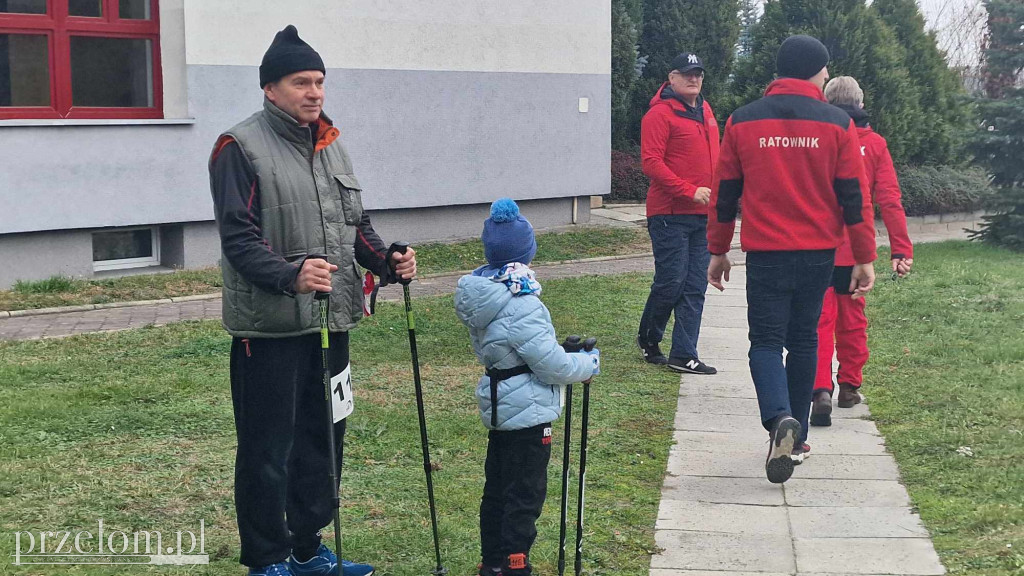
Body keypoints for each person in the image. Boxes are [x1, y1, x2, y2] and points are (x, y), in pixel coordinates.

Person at [208, 25, 416, 576]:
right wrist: (290, 275)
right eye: (302, 81)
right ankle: (267, 557)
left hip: (331, 323)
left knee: (323, 444)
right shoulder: (238, 147)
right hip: (269, 330)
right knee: (266, 452)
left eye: (320, 81)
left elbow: (355, 225)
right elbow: (239, 240)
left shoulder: (330, 142)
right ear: (270, 88)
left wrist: (387, 261)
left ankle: (307, 546)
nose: (315, 92)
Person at [706, 35, 877, 483]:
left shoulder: (741, 121)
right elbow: (854, 199)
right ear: (819, 72)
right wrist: (863, 256)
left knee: (764, 341)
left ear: (778, 71)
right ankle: (795, 437)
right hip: (819, 253)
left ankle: (778, 418)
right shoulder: (838, 123)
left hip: (766, 253)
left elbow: (725, 194)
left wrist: (719, 249)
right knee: (804, 341)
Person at [454, 198, 600, 576]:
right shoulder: (521, 302)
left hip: (502, 406)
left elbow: (519, 348)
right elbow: (550, 366)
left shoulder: (486, 293)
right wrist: (587, 363)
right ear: (527, 254)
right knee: (526, 493)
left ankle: (493, 561)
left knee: (498, 489)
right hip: (530, 412)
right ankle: (517, 563)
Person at [810, 76, 914, 427]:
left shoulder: (814, 137)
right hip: (856, 251)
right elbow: (889, 198)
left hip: (815, 245)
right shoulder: (875, 144)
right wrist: (900, 248)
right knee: (852, 321)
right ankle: (849, 385)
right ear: (861, 103)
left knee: (819, 320)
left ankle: (819, 388)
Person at [636, 52, 720, 375]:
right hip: (669, 213)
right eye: (687, 74)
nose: (694, 79)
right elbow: (651, 163)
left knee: (695, 284)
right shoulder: (659, 115)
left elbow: (717, 157)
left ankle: (684, 354)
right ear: (672, 78)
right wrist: (689, 190)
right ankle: (648, 338)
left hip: (703, 216)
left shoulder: (706, 112)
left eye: (698, 74)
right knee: (671, 281)